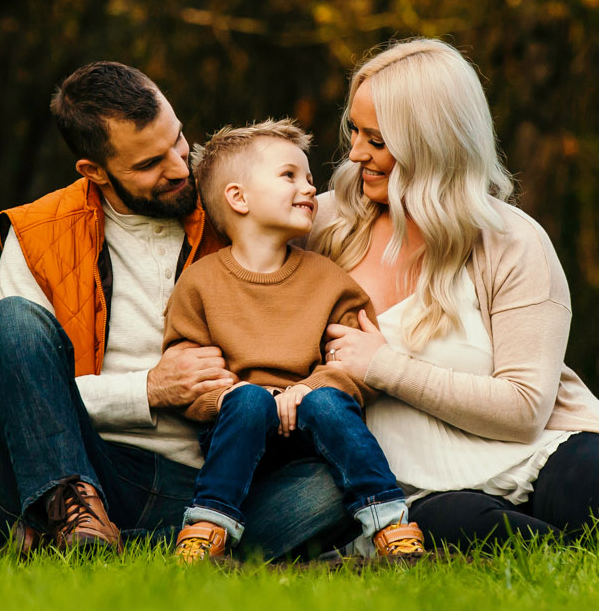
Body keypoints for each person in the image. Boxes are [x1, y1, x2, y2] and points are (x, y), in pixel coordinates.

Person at [310, 38, 599, 549]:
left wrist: (385, 366)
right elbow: (229, 227)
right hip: (414, 487)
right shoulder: (322, 223)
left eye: (376, 140)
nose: (354, 154)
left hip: (535, 451)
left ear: (431, 142)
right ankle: (577, 561)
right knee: (487, 533)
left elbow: (525, 409)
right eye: (354, 130)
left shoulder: (510, 239)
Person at [0, 62, 350, 557]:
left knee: (331, 483)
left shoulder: (238, 205)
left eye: (178, 140)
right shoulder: (41, 234)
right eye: (149, 164)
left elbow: (347, 207)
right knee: (13, 323)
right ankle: (81, 522)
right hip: (79, 471)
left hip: (213, 479)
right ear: (94, 172)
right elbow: (2, 401)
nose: (180, 168)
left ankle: (174, 541)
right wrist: (150, 389)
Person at [162, 120, 426, 564]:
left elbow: (354, 359)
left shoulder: (327, 278)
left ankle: (390, 526)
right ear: (238, 197)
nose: (308, 188)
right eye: (289, 176)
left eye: (308, 177)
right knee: (247, 404)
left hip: (312, 437)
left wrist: (306, 390)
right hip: (239, 434)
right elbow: (189, 371)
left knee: (327, 401)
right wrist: (244, 394)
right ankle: (207, 528)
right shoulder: (200, 282)